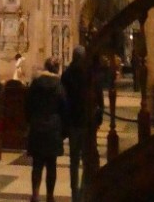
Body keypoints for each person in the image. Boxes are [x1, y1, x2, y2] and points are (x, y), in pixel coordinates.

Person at [61, 46, 103, 202]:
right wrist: (98, 117)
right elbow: (98, 97)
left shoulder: (66, 75)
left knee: (74, 159)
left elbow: (63, 100)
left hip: (73, 122)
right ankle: (84, 189)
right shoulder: (89, 74)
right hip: (86, 122)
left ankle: (75, 194)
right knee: (87, 157)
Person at [25, 56, 67, 202]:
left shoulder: (36, 83)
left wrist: (30, 121)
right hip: (53, 128)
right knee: (51, 165)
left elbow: (28, 105)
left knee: (37, 164)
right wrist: (63, 129)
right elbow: (64, 107)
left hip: (37, 126)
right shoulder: (59, 85)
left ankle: (35, 194)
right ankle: (50, 195)